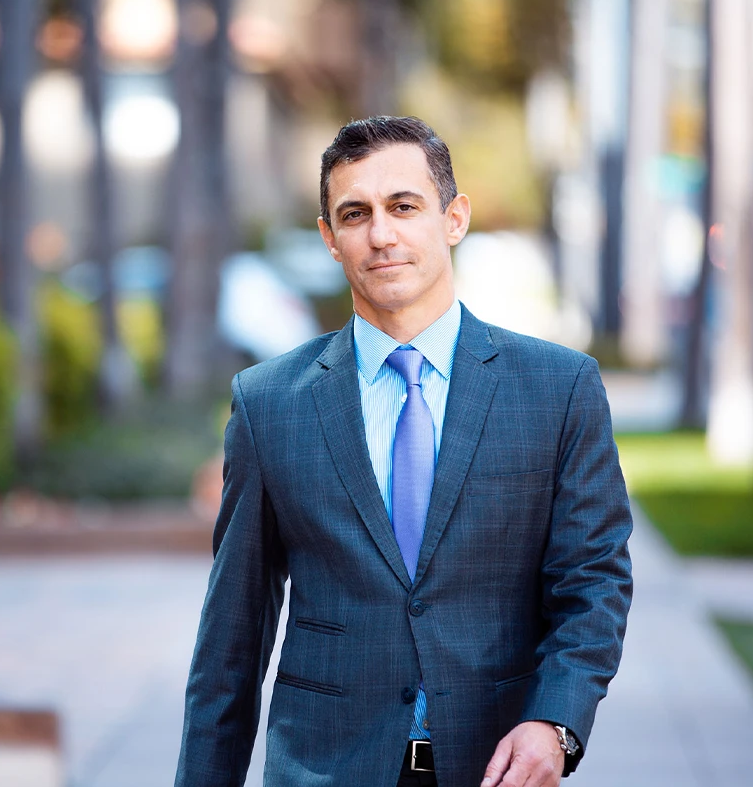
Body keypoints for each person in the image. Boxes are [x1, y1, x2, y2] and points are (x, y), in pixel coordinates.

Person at [174, 116, 632, 787]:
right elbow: (232, 636)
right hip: (326, 769)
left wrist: (556, 722)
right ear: (330, 238)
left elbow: (593, 580)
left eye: (404, 207)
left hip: (494, 765)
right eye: (355, 214)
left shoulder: (558, 388)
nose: (381, 235)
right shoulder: (269, 402)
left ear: (454, 218)